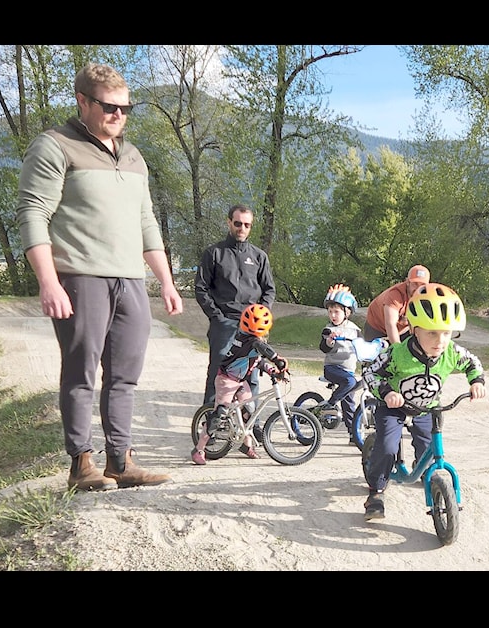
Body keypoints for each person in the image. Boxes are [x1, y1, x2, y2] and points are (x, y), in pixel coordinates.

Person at [16, 62, 183, 491]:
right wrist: (49, 281)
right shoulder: (54, 145)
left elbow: (147, 222)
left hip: (130, 281)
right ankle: (81, 465)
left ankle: (121, 461)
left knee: (125, 373)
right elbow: (33, 214)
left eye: (126, 108)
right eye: (109, 107)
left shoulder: (133, 156)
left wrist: (165, 280)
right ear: (83, 101)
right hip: (79, 276)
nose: (119, 115)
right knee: (81, 372)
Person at [361, 283, 485, 521]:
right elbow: (370, 373)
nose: (440, 341)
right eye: (432, 333)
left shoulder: (450, 352)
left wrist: (476, 382)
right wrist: (386, 392)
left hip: (427, 408)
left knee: (428, 446)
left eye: (447, 333)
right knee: (387, 446)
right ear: (415, 329)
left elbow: (473, 363)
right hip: (394, 406)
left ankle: (429, 476)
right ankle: (376, 492)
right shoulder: (397, 354)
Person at [195, 204, 276, 414]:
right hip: (225, 322)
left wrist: (262, 314)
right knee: (218, 373)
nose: (242, 228)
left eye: (247, 225)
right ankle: (211, 424)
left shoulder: (259, 257)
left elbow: (269, 290)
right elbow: (201, 288)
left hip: (253, 326)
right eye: (238, 223)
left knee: (252, 374)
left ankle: (251, 422)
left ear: (251, 227)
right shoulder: (214, 253)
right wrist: (216, 317)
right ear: (229, 222)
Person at [191, 304, 288, 464]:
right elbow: (263, 349)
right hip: (226, 380)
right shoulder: (249, 341)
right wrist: (277, 359)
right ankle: (199, 449)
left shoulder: (252, 344)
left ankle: (246, 445)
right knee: (219, 415)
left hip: (240, 382)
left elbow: (258, 361)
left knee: (249, 412)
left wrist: (273, 371)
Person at [319, 284, 363, 445]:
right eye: (330, 312)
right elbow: (323, 347)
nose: (333, 315)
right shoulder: (328, 329)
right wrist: (329, 340)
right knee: (350, 383)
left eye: (336, 311)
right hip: (332, 369)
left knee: (349, 401)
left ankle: (353, 434)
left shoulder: (355, 330)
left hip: (348, 370)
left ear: (347, 312)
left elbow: (362, 346)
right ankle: (330, 403)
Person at [362, 264, 430, 343]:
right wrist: (397, 348)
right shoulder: (395, 295)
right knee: (376, 353)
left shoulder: (426, 296)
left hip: (402, 329)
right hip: (377, 327)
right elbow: (390, 324)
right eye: (415, 284)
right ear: (408, 282)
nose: (418, 288)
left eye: (422, 285)